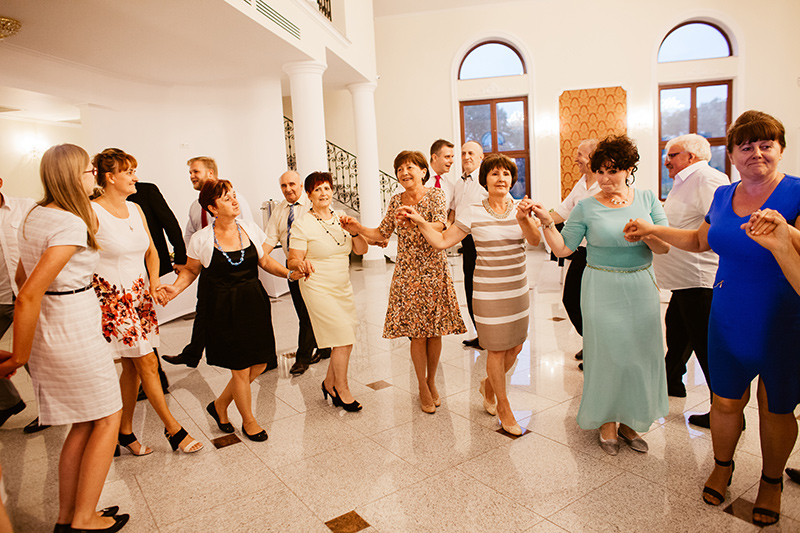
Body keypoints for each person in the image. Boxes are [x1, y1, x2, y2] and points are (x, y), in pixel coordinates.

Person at [624, 110, 800, 527]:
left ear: (780, 149)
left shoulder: (796, 194)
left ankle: (771, 481)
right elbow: (700, 240)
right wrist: (652, 230)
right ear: (732, 155)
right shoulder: (723, 196)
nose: (756, 153)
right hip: (728, 315)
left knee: (776, 408)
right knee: (724, 401)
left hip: (782, 319)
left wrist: (782, 239)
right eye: (746, 146)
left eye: (766, 145)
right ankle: (723, 465)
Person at [0, 143, 129, 532]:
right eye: (90, 169)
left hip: (55, 324)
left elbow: (22, 277)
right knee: (108, 417)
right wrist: (19, 357)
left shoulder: (35, 214)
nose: (95, 174)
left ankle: (68, 516)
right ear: (75, 176)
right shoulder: (71, 223)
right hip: (71, 328)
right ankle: (84, 518)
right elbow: (28, 294)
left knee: (83, 422)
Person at [532, 134, 670, 456]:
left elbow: (664, 247)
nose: (605, 179)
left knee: (638, 355)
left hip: (640, 287)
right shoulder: (586, 206)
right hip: (601, 286)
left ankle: (631, 420)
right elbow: (563, 248)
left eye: (613, 171)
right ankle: (607, 420)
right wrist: (547, 223)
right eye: (600, 171)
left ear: (629, 169)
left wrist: (646, 233)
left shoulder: (647, 199)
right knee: (608, 355)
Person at [399, 154, 541, 434]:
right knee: (496, 349)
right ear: (484, 180)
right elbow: (443, 240)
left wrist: (525, 220)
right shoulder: (473, 211)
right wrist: (421, 222)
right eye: (494, 174)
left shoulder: (520, 208)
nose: (501, 179)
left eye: (506, 174)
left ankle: (488, 385)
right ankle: (503, 405)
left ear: (512, 179)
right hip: (488, 291)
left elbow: (535, 241)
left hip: (517, 290)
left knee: (515, 347)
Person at [165, 180, 302, 441]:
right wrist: (175, 289)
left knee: (260, 363)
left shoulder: (249, 228)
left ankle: (219, 405)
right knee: (239, 368)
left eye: (234, 195)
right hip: (223, 306)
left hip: (254, 301)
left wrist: (288, 274)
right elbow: (191, 271)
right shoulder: (202, 239)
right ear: (212, 208)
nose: (234, 201)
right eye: (226, 198)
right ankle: (249, 421)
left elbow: (264, 261)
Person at [91, 148, 203, 456]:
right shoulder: (92, 212)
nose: (135, 177)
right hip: (114, 301)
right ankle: (174, 430)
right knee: (148, 362)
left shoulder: (135, 208)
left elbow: (152, 251)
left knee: (132, 368)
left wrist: (153, 283)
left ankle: (124, 432)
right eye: (128, 172)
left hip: (140, 296)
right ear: (110, 177)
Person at [341, 151, 465, 413]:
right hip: (408, 272)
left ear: (423, 171)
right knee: (417, 334)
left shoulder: (436, 195)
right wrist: (358, 228)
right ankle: (421, 385)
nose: (404, 173)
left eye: (410, 167)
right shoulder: (396, 200)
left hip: (434, 270)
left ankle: (432, 381)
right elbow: (381, 233)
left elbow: (440, 227)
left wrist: (417, 220)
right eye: (399, 169)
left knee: (435, 331)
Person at [656, 134, 729, 429]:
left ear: (690, 156)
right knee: (676, 330)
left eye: (671, 155)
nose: (666, 161)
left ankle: (724, 409)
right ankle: (672, 381)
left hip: (699, 280)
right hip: (683, 279)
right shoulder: (683, 181)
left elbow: (720, 225)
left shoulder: (707, 179)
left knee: (706, 347)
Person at [162, 157, 260, 369]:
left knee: (244, 318)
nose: (191, 176)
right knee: (205, 311)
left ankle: (261, 359)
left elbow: (250, 233)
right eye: (190, 172)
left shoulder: (238, 201)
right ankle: (194, 354)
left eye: (195, 171)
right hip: (210, 267)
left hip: (237, 267)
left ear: (210, 173)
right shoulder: (195, 206)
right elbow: (190, 234)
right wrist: (188, 259)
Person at [287, 172, 369, 412]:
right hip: (317, 286)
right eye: (317, 189)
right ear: (309, 195)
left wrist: (355, 231)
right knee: (342, 337)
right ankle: (342, 389)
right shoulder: (302, 224)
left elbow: (361, 250)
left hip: (342, 286)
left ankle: (329, 383)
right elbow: (293, 260)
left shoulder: (341, 218)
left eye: (326, 188)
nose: (323, 193)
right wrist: (301, 264)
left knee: (346, 338)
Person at [264, 170, 331, 376]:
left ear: (301, 186)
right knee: (303, 313)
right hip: (293, 268)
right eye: (284, 186)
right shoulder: (279, 211)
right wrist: (255, 257)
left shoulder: (314, 203)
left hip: (314, 267)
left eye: (292, 184)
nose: (288, 189)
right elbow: (270, 239)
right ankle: (325, 348)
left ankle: (303, 358)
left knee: (308, 315)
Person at [128, 180, 182, 398]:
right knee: (138, 324)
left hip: (148, 267)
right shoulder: (97, 201)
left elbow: (169, 223)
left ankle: (154, 375)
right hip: (125, 272)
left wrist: (180, 257)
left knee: (142, 323)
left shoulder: (146, 191)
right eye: (129, 172)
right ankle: (152, 375)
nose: (133, 177)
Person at [549, 139, 599, 367]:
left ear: (594, 157)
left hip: (599, 253)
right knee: (570, 299)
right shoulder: (581, 183)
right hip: (581, 251)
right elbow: (562, 212)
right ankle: (592, 341)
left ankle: (597, 347)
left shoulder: (605, 184)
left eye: (580, 154)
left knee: (594, 304)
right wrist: (537, 218)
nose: (576, 158)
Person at [0, 177, 34, 429]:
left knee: (36, 356)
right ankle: (9, 401)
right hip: (0, 298)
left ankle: (51, 410)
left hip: (25, 295)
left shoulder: (26, 207)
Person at [454, 141, 487, 349]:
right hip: (466, 242)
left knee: (482, 289)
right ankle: (480, 334)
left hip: (482, 240)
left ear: (481, 157)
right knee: (469, 287)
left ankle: (489, 334)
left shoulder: (485, 181)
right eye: (464, 153)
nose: (467, 157)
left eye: (471, 153)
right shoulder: (459, 184)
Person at [429, 139, 456, 225]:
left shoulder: (450, 186)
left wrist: (448, 224)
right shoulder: (418, 179)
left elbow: (452, 210)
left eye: (452, 157)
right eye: (447, 157)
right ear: (434, 157)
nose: (451, 161)